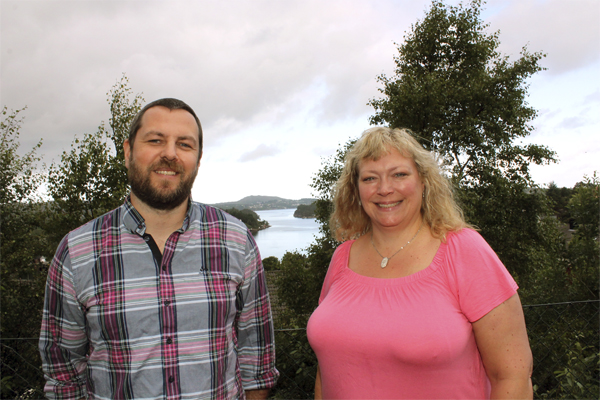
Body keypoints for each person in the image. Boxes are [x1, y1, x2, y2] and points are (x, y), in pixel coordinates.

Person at [39, 98, 279, 399]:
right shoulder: (77, 252)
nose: (169, 153)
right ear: (128, 152)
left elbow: (256, 361)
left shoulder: (236, 239)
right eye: (155, 140)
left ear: (198, 159)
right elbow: (63, 375)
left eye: (185, 145)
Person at [307, 127, 533, 399]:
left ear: (424, 181)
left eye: (399, 174)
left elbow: (513, 376)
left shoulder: (463, 250)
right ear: (355, 190)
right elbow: (327, 369)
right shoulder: (342, 258)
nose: (384, 189)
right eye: (370, 178)